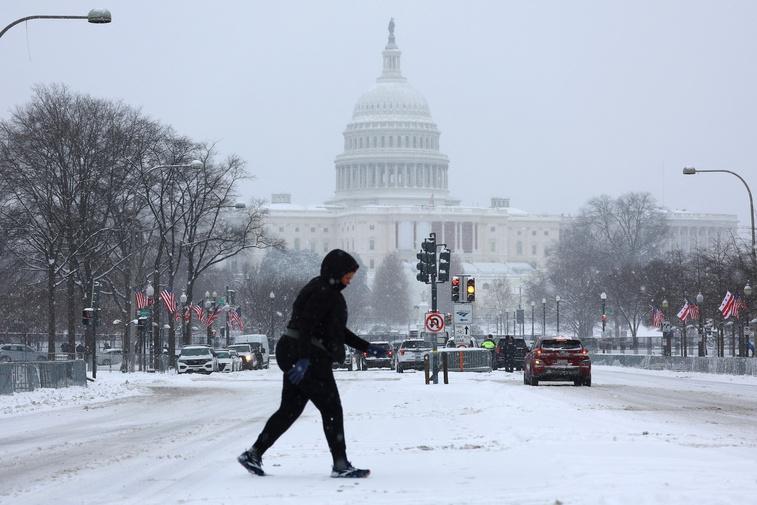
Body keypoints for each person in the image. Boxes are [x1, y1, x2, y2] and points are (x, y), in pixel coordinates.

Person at [238, 249, 380, 479]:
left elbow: (336, 330)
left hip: (297, 352)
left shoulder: (324, 289)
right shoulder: (324, 292)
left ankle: (254, 453)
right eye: (348, 275)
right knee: (332, 408)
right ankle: (340, 464)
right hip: (307, 356)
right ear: (336, 271)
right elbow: (306, 325)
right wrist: (303, 360)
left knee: (289, 410)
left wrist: (367, 347)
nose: (350, 280)